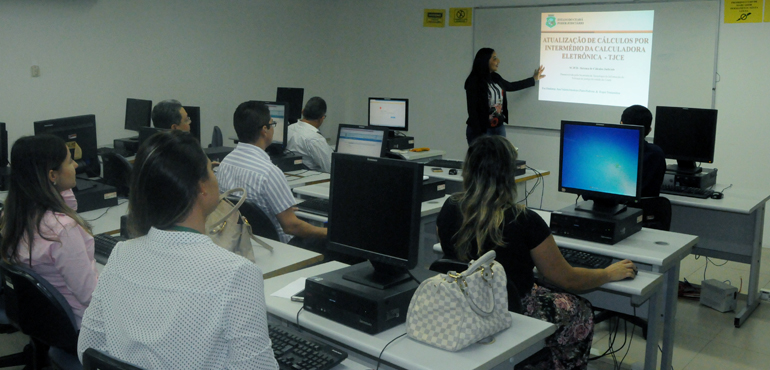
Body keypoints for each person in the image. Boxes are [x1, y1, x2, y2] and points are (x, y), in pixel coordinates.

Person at [77, 130, 278, 369]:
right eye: (211, 171)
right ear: (202, 188)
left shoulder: (122, 254)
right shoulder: (237, 273)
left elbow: (87, 349)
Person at [436, 135, 637, 370]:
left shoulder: (450, 207)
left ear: (468, 169)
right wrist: (608, 273)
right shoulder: (524, 219)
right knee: (579, 308)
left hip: (466, 305)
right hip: (512, 311)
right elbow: (567, 279)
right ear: (509, 174)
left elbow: (450, 250)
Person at [0, 135, 98, 328]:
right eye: (70, 162)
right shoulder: (63, 231)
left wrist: (57, 184)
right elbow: (90, 296)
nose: (76, 166)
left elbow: (68, 206)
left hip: (46, 318)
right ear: (52, 175)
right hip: (81, 323)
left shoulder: (12, 213)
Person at [217, 101, 327, 249]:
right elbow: (291, 227)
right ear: (264, 130)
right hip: (281, 244)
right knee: (337, 239)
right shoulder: (269, 172)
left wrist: (280, 208)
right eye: (272, 123)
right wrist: (327, 232)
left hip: (246, 240)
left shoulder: (225, 163)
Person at [464, 47, 546, 145]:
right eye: (494, 58)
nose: (498, 61)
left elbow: (511, 86)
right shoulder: (474, 81)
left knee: (501, 158)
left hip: (498, 127)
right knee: (483, 159)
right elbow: (472, 110)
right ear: (485, 60)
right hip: (482, 130)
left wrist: (533, 79)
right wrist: (480, 134)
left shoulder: (495, 77)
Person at [621, 105, 666, 197]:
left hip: (616, 209)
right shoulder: (657, 154)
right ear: (649, 130)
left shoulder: (611, 153)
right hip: (647, 210)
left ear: (621, 124)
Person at [287, 97, 333, 173]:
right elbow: (331, 167)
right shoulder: (315, 139)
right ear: (322, 118)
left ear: (302, 112)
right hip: (312, 177)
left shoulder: (289, 128)